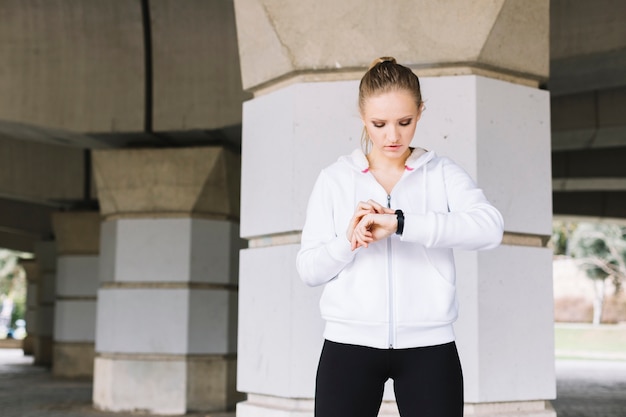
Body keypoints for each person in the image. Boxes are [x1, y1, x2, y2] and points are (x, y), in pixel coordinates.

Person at [296, 57, 504, 417]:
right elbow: (308, 270)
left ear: (420, 112)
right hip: (349, 344)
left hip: (430, 346)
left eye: (404, 122)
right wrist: (349, 241)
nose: (392, 136)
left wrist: (403, 223)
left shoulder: (441, 173)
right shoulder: (335, 179)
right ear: (363, 118)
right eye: (379, 124)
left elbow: (489, 227)